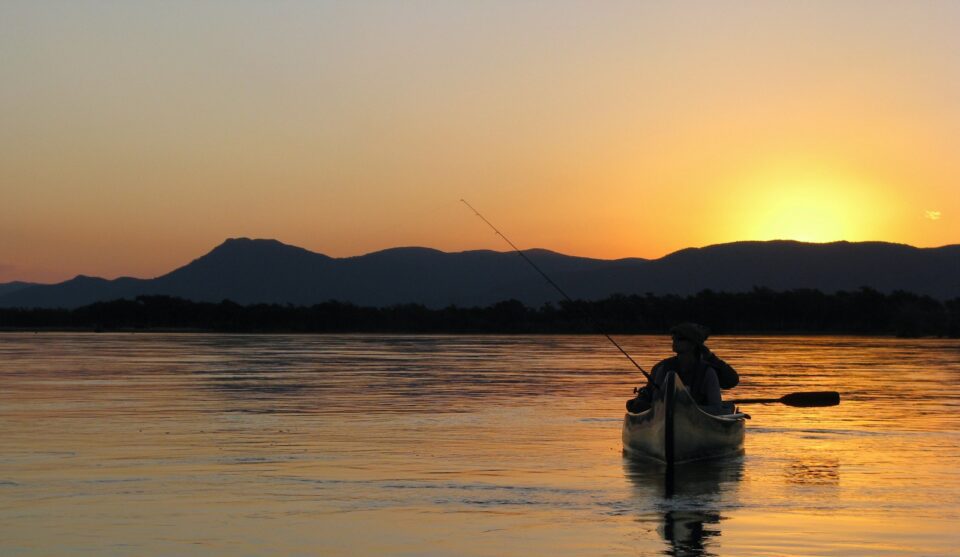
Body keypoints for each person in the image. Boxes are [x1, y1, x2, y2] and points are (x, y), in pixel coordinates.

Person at [627, 323, 739, 414]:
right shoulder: (662, 368)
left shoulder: (708, 372)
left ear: (693, 344)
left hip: (700, 419)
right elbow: (655, 401)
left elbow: (716, 408)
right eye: (673, 338)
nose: (675, 340)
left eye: (681, 338)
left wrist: (685, 410)